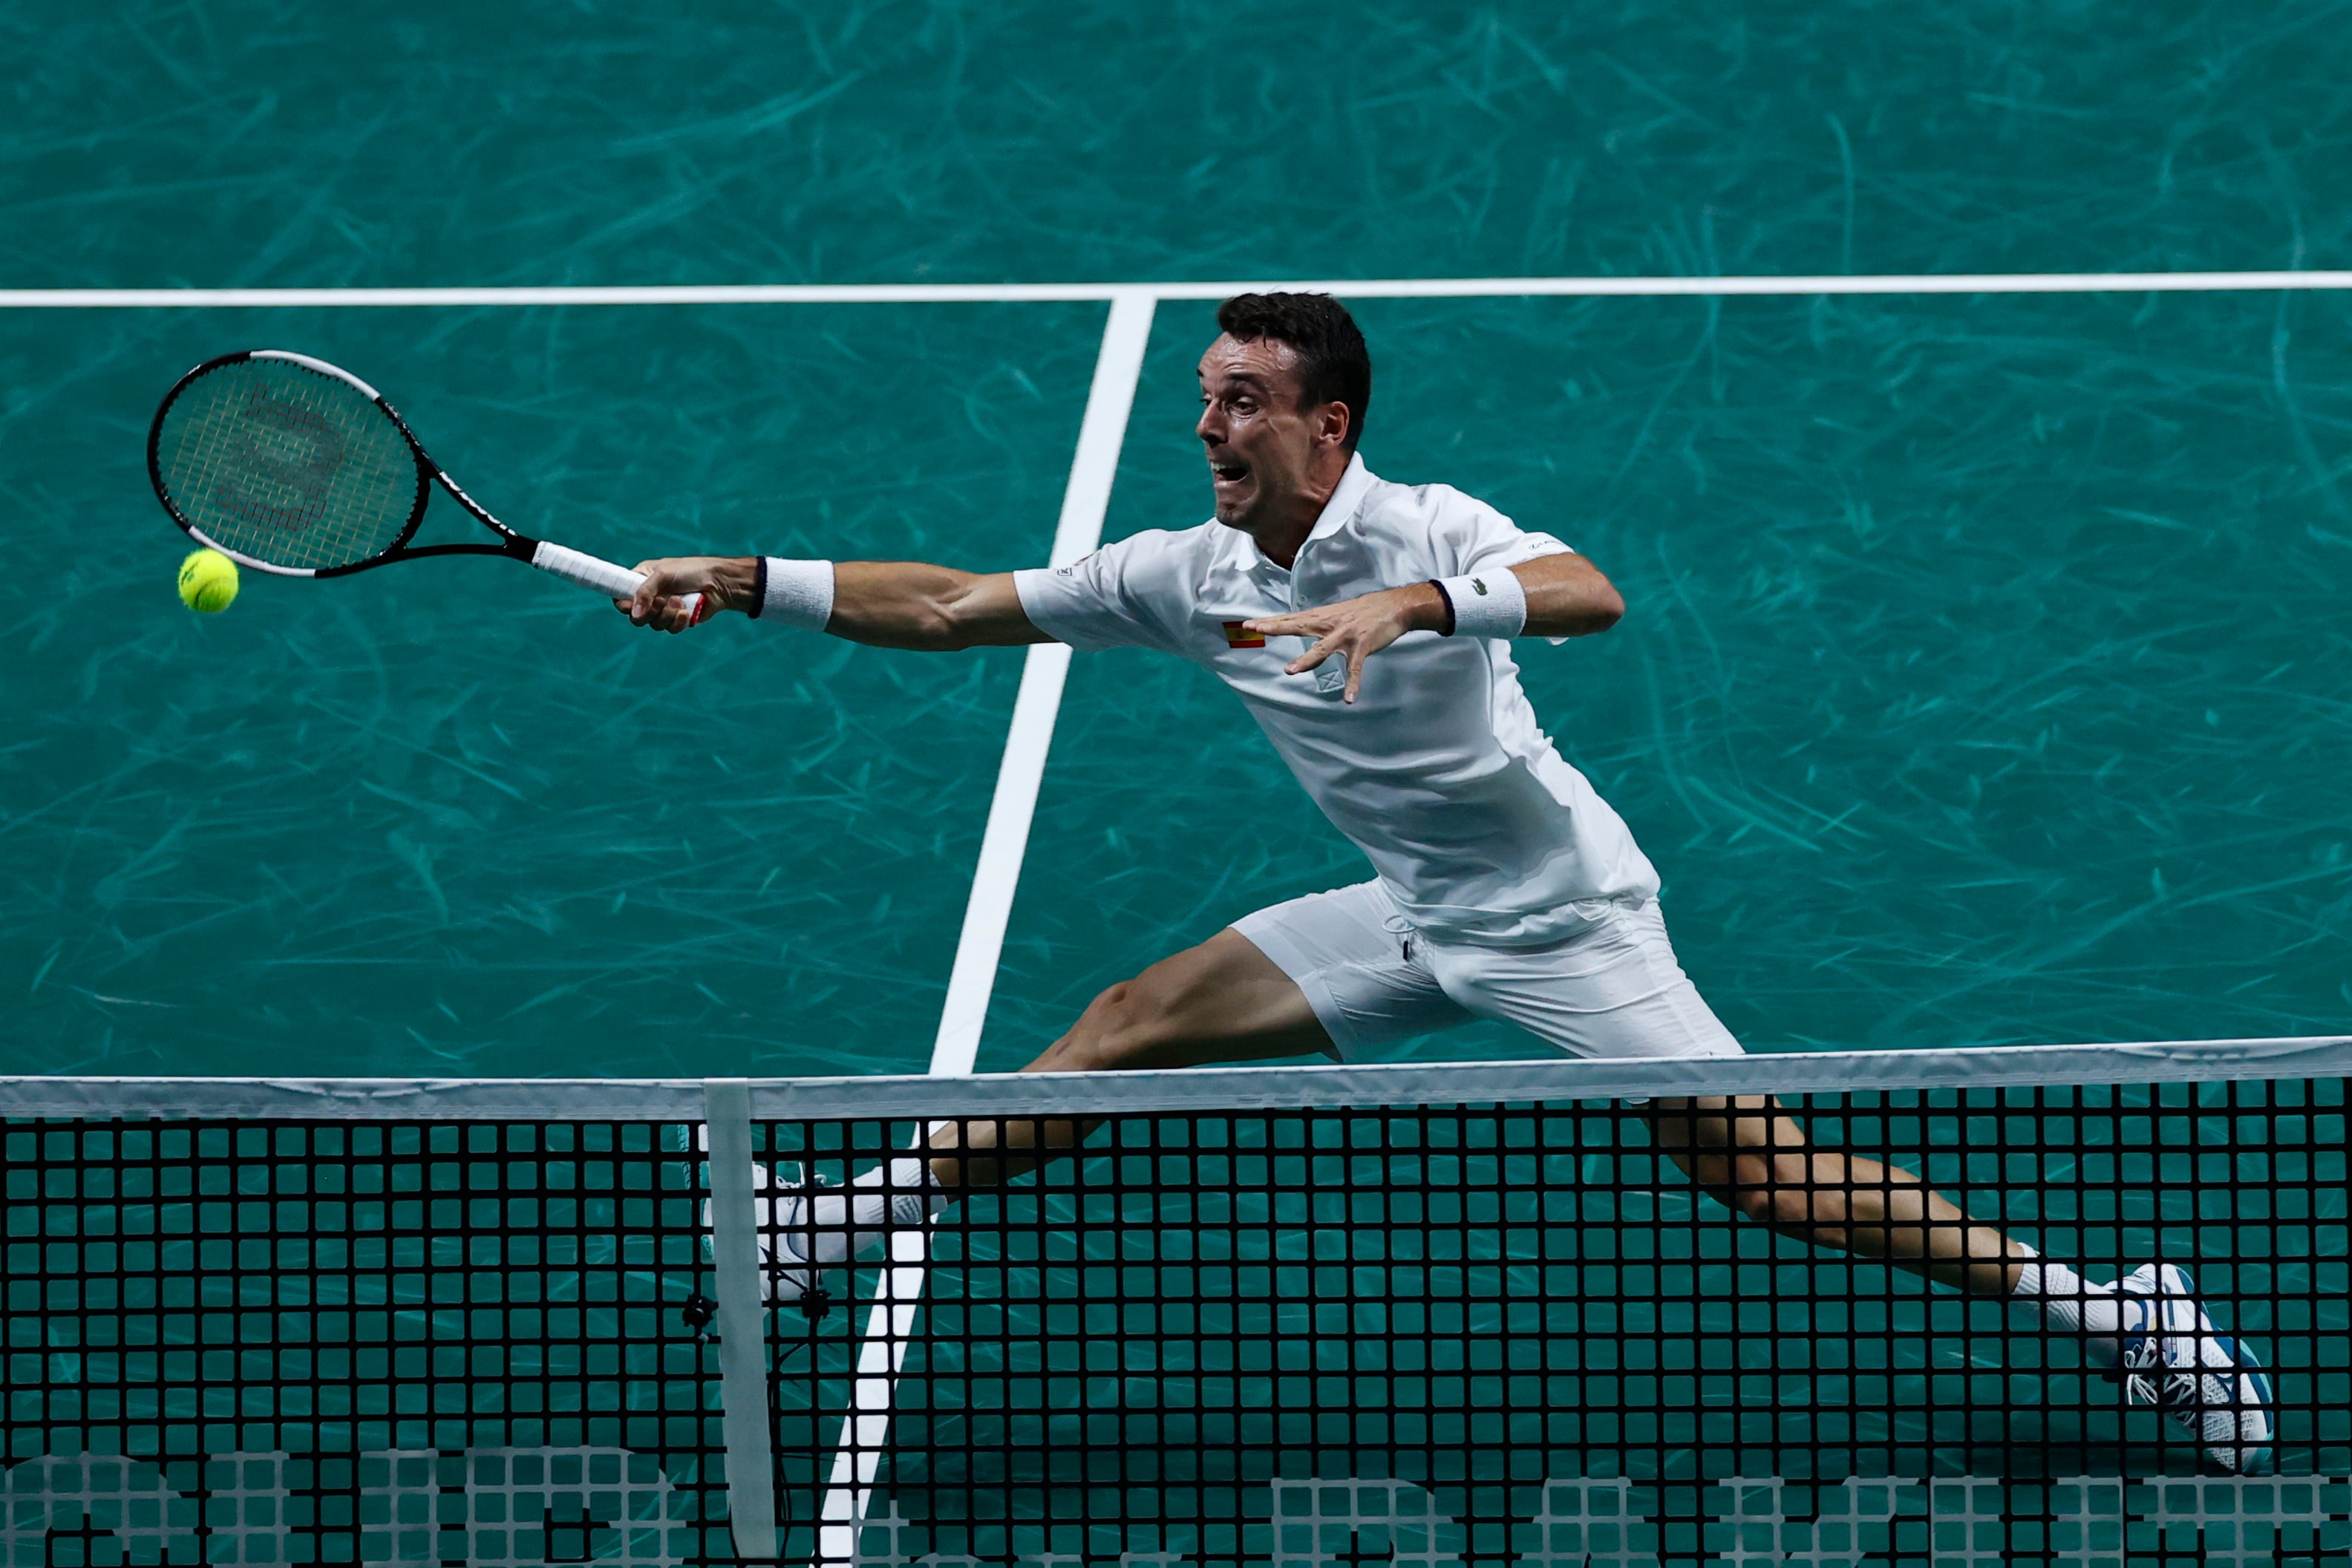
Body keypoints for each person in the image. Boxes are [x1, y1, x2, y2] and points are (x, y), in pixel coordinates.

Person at [624, 292, 2272, 1471]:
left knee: (1771, 1182)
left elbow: (1589, 593)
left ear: (1326, 425)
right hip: (1409, 908)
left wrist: (1409, 610)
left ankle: (2125, 1311)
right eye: (1205, 396)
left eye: (1243, 400)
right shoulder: (1181, 574)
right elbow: (955, 606)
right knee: (1125, 1025)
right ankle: (830, 1224)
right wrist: (751, 577)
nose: (1207, 423)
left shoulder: (1425, 523)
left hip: (1568, 925)